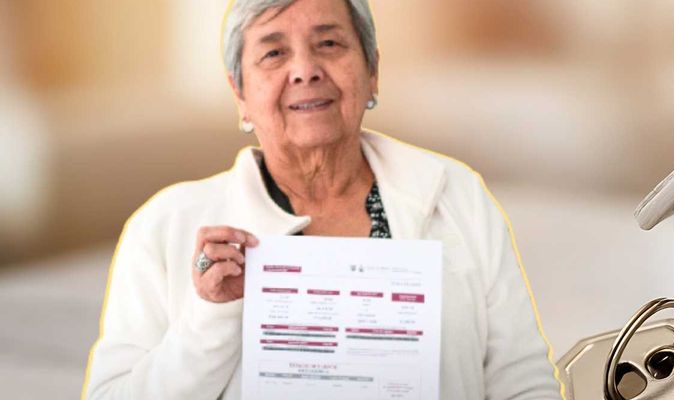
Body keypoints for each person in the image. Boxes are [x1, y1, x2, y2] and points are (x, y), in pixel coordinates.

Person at [81, 0, 562, 398]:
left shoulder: (457, 194)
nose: (306, 70)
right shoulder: (165, 225)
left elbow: (521, 380)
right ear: (240, 95)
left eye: (329, 44)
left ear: (372, 70)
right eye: (273, 54)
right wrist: (210, 318)